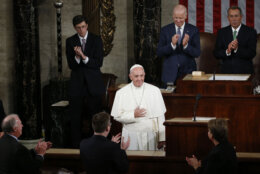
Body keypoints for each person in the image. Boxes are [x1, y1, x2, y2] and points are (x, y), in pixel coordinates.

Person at [66, 15, 105, 148]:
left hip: (94, 85)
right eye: (78, 28)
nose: (81, 30)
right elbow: (71, 65)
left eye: (83, 27)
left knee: (95, 117)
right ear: (75, 28)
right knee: (75, 118)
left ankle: (95, 146)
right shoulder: (70, 41)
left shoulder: (96, 40)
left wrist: (83, 57)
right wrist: (77, 58)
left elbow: (98, 63)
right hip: (77, 86)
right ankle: (76, 148)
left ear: (87, 26)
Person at [111, 64, 166, 150]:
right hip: (131, 134)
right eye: (136, 76)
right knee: (131, 161)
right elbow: (117, 116)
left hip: (151, 135)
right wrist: (133, 115)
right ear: (130, 77)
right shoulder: (121, 93)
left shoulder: (155, 91)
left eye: (142, 76)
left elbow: (161, 116)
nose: (140, 79)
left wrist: (162, 138)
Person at [157, 4, 200, 85]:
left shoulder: (193, 30)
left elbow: (197, 52)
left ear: (186, 16)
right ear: (173, 15)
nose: (178, 20)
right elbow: (159, 52)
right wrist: (172, 45)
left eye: (181, 18)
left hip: (187, 73)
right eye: (176, 18)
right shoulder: (165, 30)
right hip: (169, 74)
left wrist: (186, 46)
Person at [213, 6, 257, 74]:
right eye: (231, 16)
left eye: (236, 16)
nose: (234, 19)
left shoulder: (251, 32)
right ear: (228, 18)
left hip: (245, 72)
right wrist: (227, 51)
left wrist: (237, 49)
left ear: (241, 17)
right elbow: (216, 53)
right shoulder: (222, 32)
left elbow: (252, 53)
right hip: (226, 72)